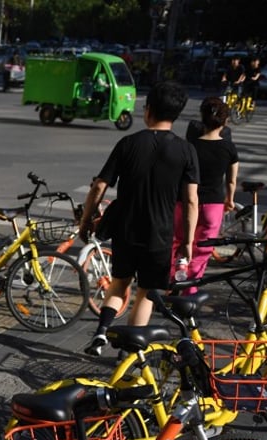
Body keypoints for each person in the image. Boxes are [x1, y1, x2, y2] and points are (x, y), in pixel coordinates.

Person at [79, 81, 200, 355]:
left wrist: (86, 220)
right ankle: (129, 351)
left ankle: (101, 331)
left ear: (148, 111)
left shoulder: (128, 143)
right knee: (147, 292)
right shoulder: (186, 150)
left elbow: (99, 186)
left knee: (120, 282)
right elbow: (191, 200)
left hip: (126, 228)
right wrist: (188, 241)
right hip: (160, 232)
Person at [172, 97, 238, 294]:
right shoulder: (229, 148)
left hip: (183, 202)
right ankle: (189, 291)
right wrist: (230, 199)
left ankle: (173, 281)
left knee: (178, 242)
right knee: (202, 251)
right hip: (213, 205)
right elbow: (231, 180)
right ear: (225, 122)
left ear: (202, 119)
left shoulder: (189, 147)